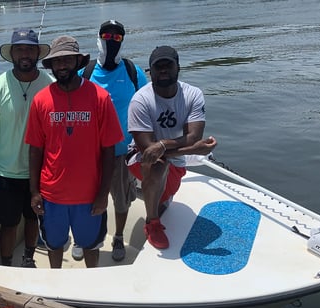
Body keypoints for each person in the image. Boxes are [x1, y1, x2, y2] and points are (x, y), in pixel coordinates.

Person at [26, 36, 124, 269]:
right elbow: (35, 149)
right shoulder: (41, 100)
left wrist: (102, 195)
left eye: (68, 60)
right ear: (51, 65)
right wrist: (34, 192)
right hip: (52, 195)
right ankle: (57, 288)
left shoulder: (100, 97)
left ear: (79, 62)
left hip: (89, 196)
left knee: (91, 246)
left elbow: (109, 151)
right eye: (57, 61)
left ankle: (92, 286)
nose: (62, 66)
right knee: (54, 246)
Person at [127, 45, 217, 249]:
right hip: (139, 156)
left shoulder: (193, 94)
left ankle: (155, 198)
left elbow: (194, 136)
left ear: (178, 67)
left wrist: (164, 144)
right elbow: (148, 152)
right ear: (151, 71)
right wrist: (193, 149)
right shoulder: (140, 100)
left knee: (165, 193)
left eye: (169, 65)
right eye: (158, 67)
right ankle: (152, 223)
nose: (164, 70)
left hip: (171, 155)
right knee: (158, 167)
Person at [74, 19, 148, 262]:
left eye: (117, 38)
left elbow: (147, 105)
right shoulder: (84, 71)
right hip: (90, 153)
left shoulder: (132, 71)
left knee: (121, 199)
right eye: (107, 36)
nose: (112, 41)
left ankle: (117, 236)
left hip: (122, 151)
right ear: (99, 37)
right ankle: (82, 237)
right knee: (86, 197)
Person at [0, 29, 53, 268]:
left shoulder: (49, 85)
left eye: (30, 49)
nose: (25, 54)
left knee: (34, 218)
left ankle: (29, 258)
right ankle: (5, 263)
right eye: (20, 49)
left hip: (39, 171)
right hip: (5, 172)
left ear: (37, 53)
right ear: (12, 53)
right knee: (8, 224)